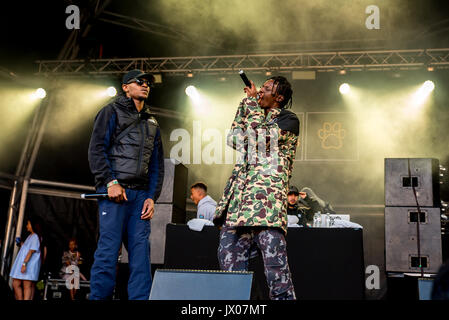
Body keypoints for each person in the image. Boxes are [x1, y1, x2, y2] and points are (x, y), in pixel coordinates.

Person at [213, 76, 299, 300]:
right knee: (231, 278)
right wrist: (245, 104)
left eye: (267, 89)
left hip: (266, 210)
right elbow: (233, 138)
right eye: (260, 88)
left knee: (277, 277)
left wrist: (251, 103)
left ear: (278, 97)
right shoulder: (254, 111)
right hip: (238, 208)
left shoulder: (289, 119)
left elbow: (261, 137)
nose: (260, 91)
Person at [88, 69, 165, 300]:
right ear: (125, 87)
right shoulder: (110, 111)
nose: (145, 85)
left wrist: (152, 196)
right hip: (113, 193)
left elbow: (157, 166)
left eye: (148, 83)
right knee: (108, 252)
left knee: (141, 256)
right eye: (139, 82)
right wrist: (110, 182)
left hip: (140, 197)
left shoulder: (153, 122)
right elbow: (96, 150)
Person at [9, 217, 44, 300]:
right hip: (23, 264)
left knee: (26, 286)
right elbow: (27, 249)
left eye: (28, 224)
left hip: (29, 265)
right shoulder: (30, 236)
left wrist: (24, 264)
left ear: (33, 225)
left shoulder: (36, 236)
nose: (27, 226)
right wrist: (20, 243)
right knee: (15, 284)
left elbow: (31, 252)